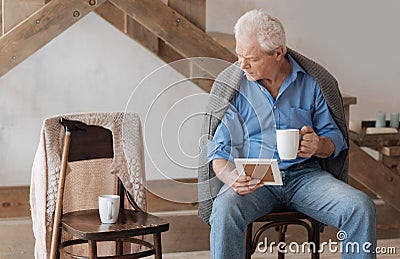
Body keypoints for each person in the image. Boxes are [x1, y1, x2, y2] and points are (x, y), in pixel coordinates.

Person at [198, 9, 376, 259]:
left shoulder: (313, 82)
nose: (242, 65)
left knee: (361, 207)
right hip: (256, 178)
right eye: (239, 56)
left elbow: (335, 140)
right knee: (225, 208)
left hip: (307, 178)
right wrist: (230, 177)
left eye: (251, 58)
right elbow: (218, 150)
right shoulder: (235, 86)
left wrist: (319, 145)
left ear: (278, 53)